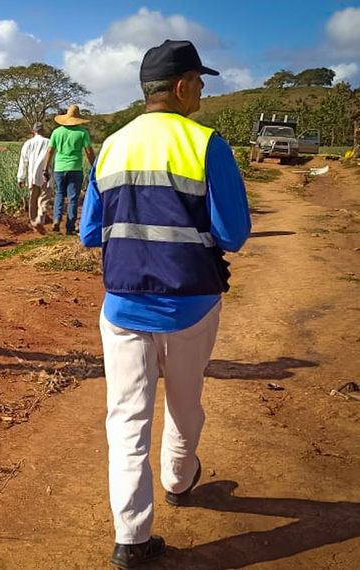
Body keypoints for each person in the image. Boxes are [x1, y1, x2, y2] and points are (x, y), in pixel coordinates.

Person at [79, 39, 251, 568]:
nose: (201, 89)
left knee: (126, 419)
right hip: (191, 304)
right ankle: (179, 479)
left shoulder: (110, 146)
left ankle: (130, 539)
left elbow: (89, 232)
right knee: (184, 401)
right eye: (199, 81)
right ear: (180, 87)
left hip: (123, 304)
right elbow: (234, 233)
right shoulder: (205, 143)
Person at [43, 105, 95, 234]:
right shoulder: (82, 133)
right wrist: (94, 166)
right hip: (75, 168)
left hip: (59, 168)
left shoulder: (57, 132)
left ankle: (56, 219)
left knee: (60, 194)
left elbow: (50, 151)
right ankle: (70, 227)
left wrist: (45, 168)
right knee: (73, 198)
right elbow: (89, 151)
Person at [17, 122, 52, 234]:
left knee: (33, 199)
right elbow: (53, 158)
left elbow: (23, 161)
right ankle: (39, 220)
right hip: (46, 174)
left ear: (33, 131)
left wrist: (21, 178)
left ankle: (33, 222)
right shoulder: (49, 142)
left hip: (32, 175)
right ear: (43, 131)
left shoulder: (28, 143)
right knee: (44, 199)